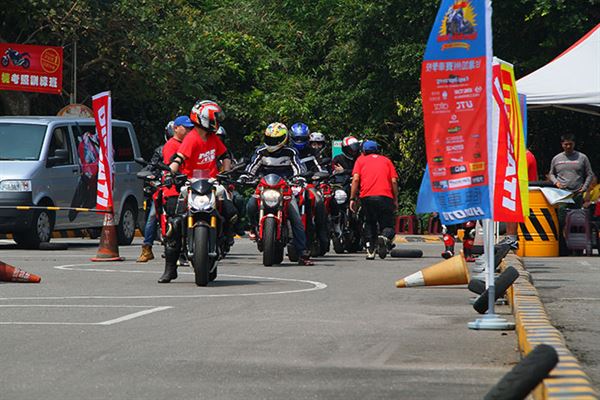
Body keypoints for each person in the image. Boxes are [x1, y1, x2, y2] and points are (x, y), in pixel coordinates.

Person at [243, 122, 314, 265]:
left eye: (275, 140)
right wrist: (246, 176)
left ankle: (302, 253)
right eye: (269, 139)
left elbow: (298, 167)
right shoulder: (261, 151)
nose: (272, 142)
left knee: (296, 218)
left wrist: (299, 177)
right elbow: (252, 166)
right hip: (264, 187)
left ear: (284, 139)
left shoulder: (291, 152)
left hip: (285, 188)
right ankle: (254, 228)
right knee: (250, 205)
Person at [155, 115, 194, 282]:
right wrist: (175, 177)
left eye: (191, 127)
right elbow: (172, 167)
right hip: (175, 192)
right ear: (176, 128)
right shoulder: (172, 145)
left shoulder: (193, 143)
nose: (189, 130)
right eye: (186, 127)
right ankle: (170, 269)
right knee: (174, 229)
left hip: (195, 189)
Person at [349, 140, 398, 260]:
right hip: (385, 196)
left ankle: (370, 250)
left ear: (363, 151)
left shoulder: (360, 160)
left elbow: (355, 179)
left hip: (367, 197)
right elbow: (394, 181)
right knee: (387, 224)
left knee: (369, 222)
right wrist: (395, 199)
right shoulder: (386, 160)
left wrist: (352, 198)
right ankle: (384, 237)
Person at [548, 134, 594, 254]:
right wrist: (556, 182)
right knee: (561, 221)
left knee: (577, 222)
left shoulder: (582, 157)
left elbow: (590, 174)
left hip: (577, 194)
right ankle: (562, 248)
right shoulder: (557, 158)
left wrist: (584, 188)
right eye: (566, 144)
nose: (568, 146)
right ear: (562, 144)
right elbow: (551, 174)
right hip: (562, 194)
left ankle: (577, 248)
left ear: (574, 144)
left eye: (570, 144)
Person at [136, 120, 175, 262]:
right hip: (163, 187)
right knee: (153, 215)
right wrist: (150, 176)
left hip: (180, 187)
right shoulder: (160, 150)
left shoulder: (186, 148)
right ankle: (147, 248)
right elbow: (150, 167)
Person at [289, 122, 329, 254]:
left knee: (318, 200)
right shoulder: (287, 151)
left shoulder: (313, 152)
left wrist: (318, 174)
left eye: (302, 139)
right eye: (297, 139)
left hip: (308, 184)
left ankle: (321, 231)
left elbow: (321, 168)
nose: (299, 142)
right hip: (287, 185)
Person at [498, 148, 539, 249]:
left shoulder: (525, 156)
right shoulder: (525, 155)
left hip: (524, 189)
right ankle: (510, 237)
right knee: (511, 211)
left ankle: (511, 238)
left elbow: (517, 174)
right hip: (524, 188)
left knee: (512, 211)